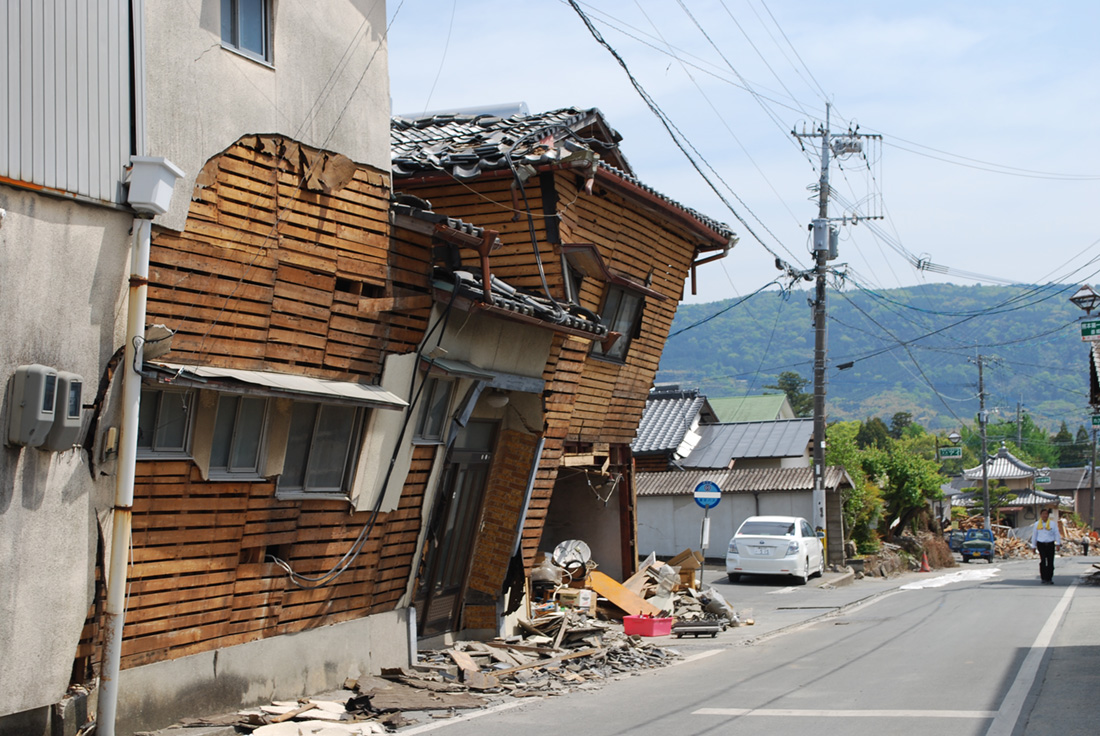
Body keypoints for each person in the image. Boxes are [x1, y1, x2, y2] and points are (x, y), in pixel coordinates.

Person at [1031, 507, 1062, 584]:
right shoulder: (1037, 524)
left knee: (1050, 561)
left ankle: (1049, 578)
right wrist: (1033, 546)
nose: (1045, 515)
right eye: (1043, 514)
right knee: (1043, 561)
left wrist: (1058, 543)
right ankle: (1043, 577)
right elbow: (1034, 535)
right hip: (1041, 544)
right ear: (1040, 515)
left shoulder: (1052, 524)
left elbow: (1056, 534)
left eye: (1046, 514)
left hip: (1050, 544)